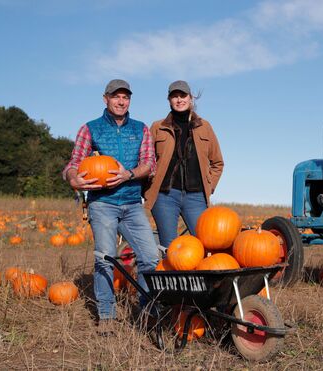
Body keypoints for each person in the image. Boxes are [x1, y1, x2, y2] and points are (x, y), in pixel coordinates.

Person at [63, 79, 160, 330]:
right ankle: (106, 315)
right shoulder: (91, 129)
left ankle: (146, 309)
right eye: (115, 96)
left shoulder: (140, 129)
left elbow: (150, 163)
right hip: (102, 204)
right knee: (105, 258)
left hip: (131, 203)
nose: (121, 101)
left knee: (150, 257)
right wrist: (74, 178)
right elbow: (74, 164)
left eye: (125, 97)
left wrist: (128, 174)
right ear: (105, 99)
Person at [143, 80, 224, 249]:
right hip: (165, 196)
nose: (179, 100)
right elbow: (145, 161)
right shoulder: (158, 127)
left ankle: (197, 276)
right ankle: (172, 276)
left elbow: (217, 162)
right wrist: (147, 189)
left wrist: (209, 186)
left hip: (196, 196)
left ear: (191, 98)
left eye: (183, 96)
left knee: (203, 244)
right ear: (169, 100)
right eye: (174, 96)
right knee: (170, 247)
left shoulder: (204, 127)